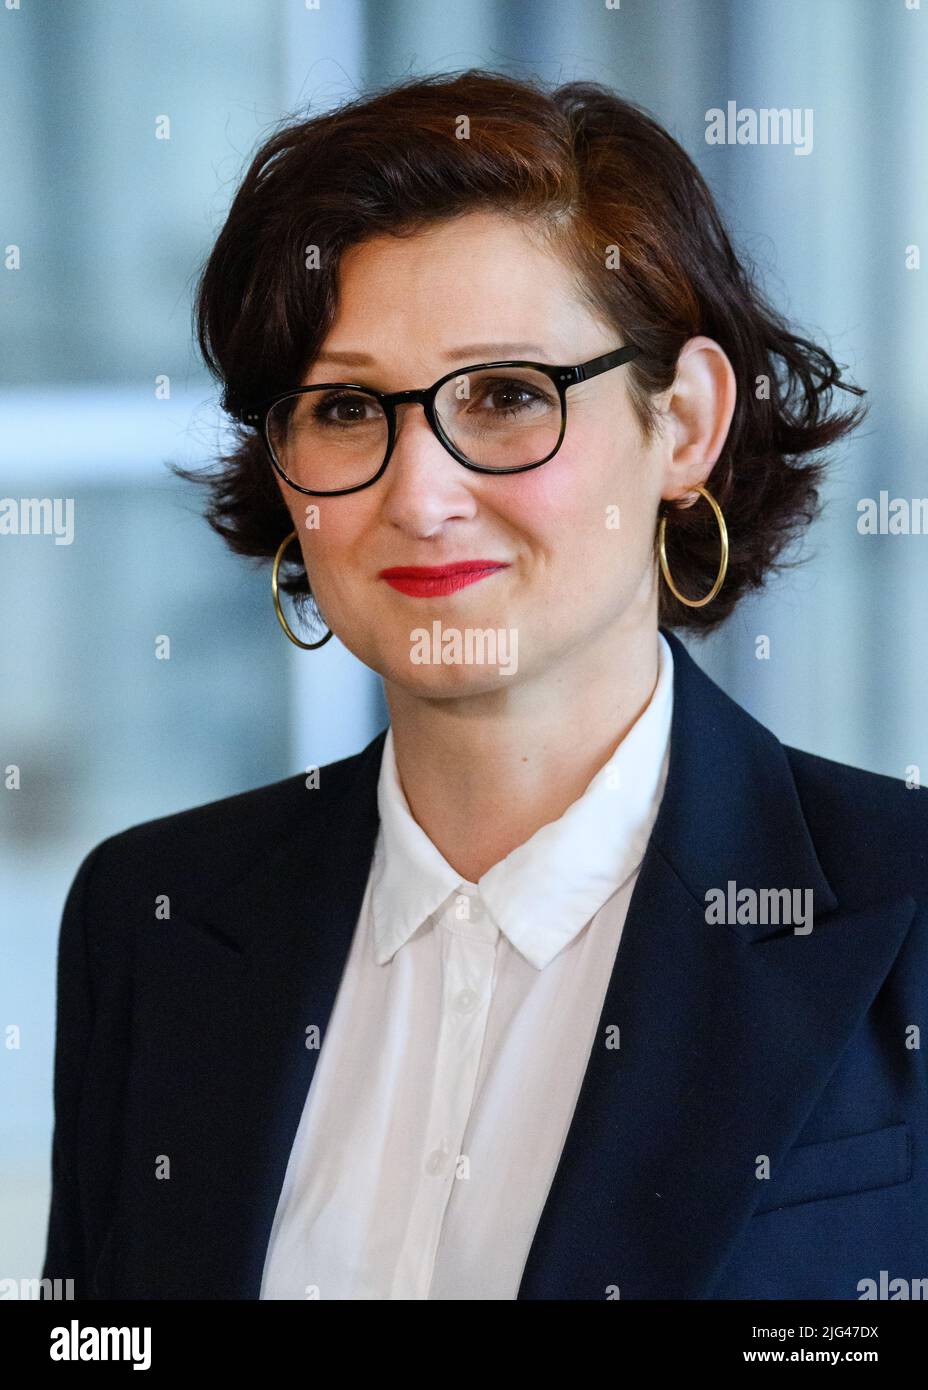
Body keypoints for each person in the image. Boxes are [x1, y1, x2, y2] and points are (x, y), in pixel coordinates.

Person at [43, 69, 927, 1301]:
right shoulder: (151, 915)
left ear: (682, 426)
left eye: (506, 395)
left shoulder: (904, 904)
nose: (417, 494)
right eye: (347, 408)